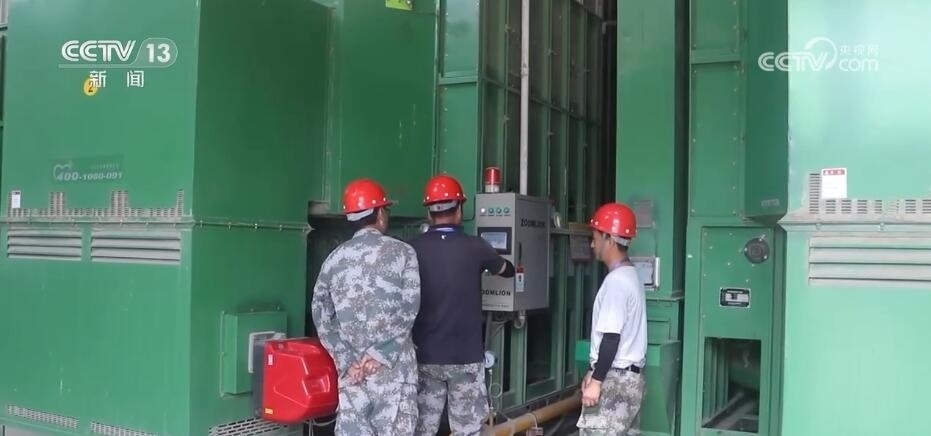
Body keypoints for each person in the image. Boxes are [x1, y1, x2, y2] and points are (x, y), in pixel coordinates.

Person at [311, 178, 421, 435]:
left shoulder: (334, 259)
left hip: (353, 376)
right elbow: (410, 308)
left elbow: (320, 312)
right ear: (380, 213)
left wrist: (347, 360)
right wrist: (380, 354)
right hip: (394, 374)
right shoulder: (404, 252)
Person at [409, 174, 515, 436]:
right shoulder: (476, 247)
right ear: (459, 209)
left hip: (426, 357)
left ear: (429, 212)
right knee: (467, 430)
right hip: (465, 357)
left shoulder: (413, 249)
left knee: (422, 429)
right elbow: (507, 270)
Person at [577, 202, 648, 436]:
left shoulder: (616, 283)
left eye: (595, 237)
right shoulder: (631, 275)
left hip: (614, 380)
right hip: (630, 380)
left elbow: (611, 338)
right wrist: (592, 370)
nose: (592, 244)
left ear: (609, 238)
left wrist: (597, 381)